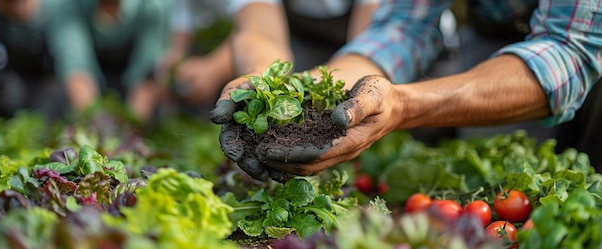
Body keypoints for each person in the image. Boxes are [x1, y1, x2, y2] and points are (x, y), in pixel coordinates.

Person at [210, 0, 602, 182]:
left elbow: (570, 49)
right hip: (498, 34)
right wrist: (310, 89)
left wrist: (403, 105)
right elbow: (404, 26)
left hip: (578, 41)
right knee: (504, 170)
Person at [159, 0, 379, 117]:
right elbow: (261, 31)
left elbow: (369, 47)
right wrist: (260, 74)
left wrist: (319, 88)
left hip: (353, 61)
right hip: (297, 50)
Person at [47, 0, 170, 123]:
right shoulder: (68, 5)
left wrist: (132, 128)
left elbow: (146, 77)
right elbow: (77, 70)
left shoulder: (150, 6)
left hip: (131, 91)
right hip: (88, 90)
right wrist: (94, 127)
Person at [0, 0, 66, 120]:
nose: (17, 8)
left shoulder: (59, 6)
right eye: (9, 2)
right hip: (15, 83)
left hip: (53, 84)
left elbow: (76, 70)